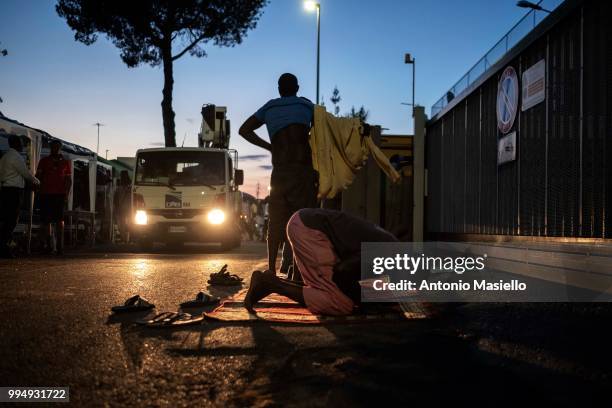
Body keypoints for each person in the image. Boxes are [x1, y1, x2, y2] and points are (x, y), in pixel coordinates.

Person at [244, 208, 398, 316]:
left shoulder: (390, 249)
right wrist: (364, 303)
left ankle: (271, 281)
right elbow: (342, 272)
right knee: (340, 303)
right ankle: (271, 284)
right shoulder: (386, 255)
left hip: (306, 225)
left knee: (328, 289)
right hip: (309, 232)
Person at [239, 73, 318, 277]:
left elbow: (244, 130)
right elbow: (324, 133)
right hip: (302, 172)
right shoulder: (307, 106)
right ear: (297, 88)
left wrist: (270, 146)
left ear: (279, 89)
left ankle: (272, 270)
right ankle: (298, 269)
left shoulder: (270, 108)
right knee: (302, 220)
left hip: (280, 172)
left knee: (275, 222)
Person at [0, 135, 40, 257]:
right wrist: (37, 181)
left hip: (5, 190)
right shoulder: (15, 157)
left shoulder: (5, 157)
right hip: (13, 191)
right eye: (21, 144)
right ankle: (4, 247)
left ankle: (4, 246)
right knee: (12, 220)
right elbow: (25, 173)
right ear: (16, 144)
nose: (23, 146)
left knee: (6, 219)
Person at [36, 139, 72, 255]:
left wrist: (66, 193)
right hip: (45, 194)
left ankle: (60, 247)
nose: (55, 149)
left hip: (59, 195)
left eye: (57, 147)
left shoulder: (65, 162)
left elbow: (68, 180)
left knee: (59, 220)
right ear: (50, 148)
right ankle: (48, 245)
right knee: (46, 221)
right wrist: (38, 190)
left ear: (60, 148)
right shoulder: (44, 161)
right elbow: (38, 177)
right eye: (53, 147)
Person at [113, 170, 132, 243]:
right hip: (130, 209)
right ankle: (130, 238)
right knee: (131, 223)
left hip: (121, 209)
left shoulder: (118, 189)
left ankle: (124, 238)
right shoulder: (130, 188)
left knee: (122, 224)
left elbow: (115, 200)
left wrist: (116, 208)